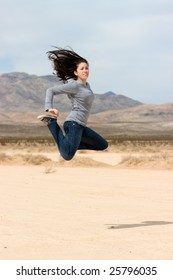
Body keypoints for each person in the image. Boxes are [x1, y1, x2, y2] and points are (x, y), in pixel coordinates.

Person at [38, 47, 108, 160]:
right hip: (73, 123)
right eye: (82, 68)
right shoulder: (74, 85)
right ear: (76, 72)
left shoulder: (87, 85)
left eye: (87, 68)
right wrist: (49, 108)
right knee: (67, 156)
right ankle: (51, 123)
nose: (85, 70)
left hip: (82, 126)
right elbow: (50, 90)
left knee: (102, 145)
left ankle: (67, 145)